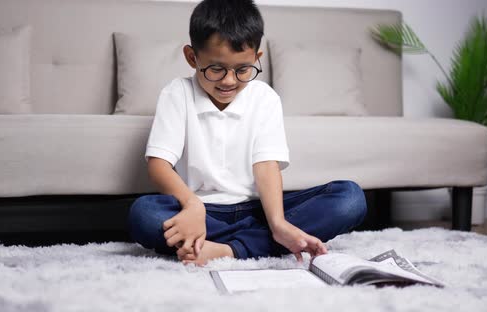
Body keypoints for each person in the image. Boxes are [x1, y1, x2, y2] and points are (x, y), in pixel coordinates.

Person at [129, 0, 367, 266]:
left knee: (350, 199)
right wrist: (192, 205)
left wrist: (277, 223)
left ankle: (227, 250)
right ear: (192, 57)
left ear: (257, 58)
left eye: (243, 70)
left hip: (258, 210)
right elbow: (158, 165)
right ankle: (254, 243)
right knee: (144, 213)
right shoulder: (176, 94)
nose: (229, 81)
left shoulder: (265, 98)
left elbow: (266, 166)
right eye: (216, 69)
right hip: (202, 211)